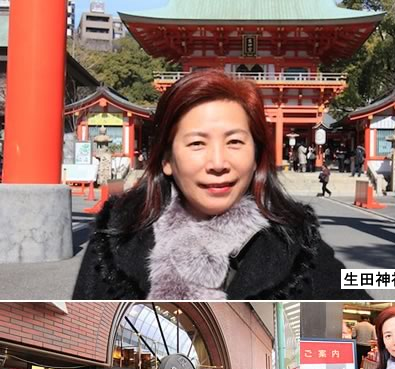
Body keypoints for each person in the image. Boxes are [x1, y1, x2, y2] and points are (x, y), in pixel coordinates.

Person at [73, 70, 350, 302]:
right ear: (167, 159)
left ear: (256, 156)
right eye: (197, 143)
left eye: (235, 142)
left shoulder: (298, 247)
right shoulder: (115, 238)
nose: (218, 163)